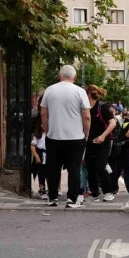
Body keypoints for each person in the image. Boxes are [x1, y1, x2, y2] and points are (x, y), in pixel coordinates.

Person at [40, 65, 91, 208]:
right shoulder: (80, 91)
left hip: (54, 136)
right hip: (75, 137)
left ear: (59, 75)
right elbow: (86, 116)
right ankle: (72, 199)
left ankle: (52, 197)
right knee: (74, 168)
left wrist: (47, 129)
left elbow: (43, 113)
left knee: (53, 168)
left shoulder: (49, 90)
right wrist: (85, 133)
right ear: (74, 77)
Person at [85, 85, 117, 202]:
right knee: (90, 167)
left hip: (103, 142)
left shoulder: (102, 107)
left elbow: (112, 123)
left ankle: (108, 192)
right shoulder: (85, 108)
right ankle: (94, 193)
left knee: (100, 166)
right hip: (89, 141)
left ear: (88, 94)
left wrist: (103, 136)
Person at [30, 119, 48, 201]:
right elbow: (33, 147)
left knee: (50, 174)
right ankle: (42, 189)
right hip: (40, 155)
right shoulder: (37, 135)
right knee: (41, 173)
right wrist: (36, 156)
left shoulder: (50, 134)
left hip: (49, 155)